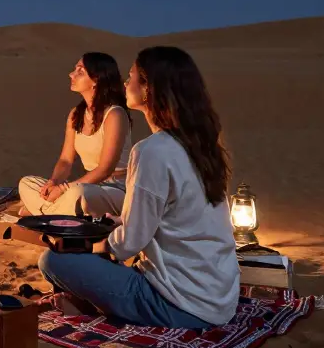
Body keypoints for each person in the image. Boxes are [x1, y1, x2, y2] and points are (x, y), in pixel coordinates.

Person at [37, 46, 240, 329]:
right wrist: (121, 220)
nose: (125, 83)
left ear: (148, 88)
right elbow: (180, 215)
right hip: (220, 300)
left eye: (131, 76)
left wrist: (87, 246)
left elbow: (129, 243)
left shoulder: (152, 151)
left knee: (53, 260)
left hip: (179, 304)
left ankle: (95, 305)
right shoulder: (202, 145)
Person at [17, 53, 133, 217]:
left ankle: (42, 212)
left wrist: (63, 189)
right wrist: (54, 182)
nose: (71, 74)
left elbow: (104, 170)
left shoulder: (115, 115)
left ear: (96, 80)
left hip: (115, 189)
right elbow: (65, 160)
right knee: (27, 183)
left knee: (78, 195)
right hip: (87, 186)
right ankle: (54, 212)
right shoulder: (76, 114)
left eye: (80, 71)